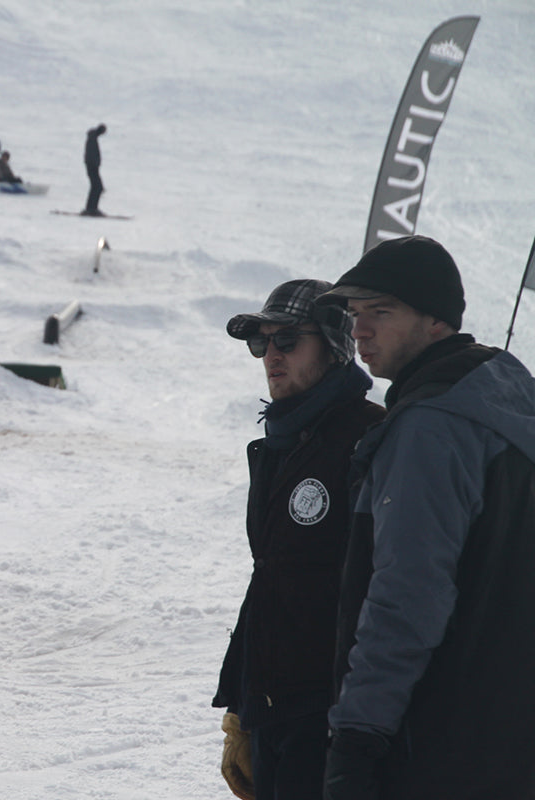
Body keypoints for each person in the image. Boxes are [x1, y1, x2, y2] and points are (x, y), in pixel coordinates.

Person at [315, 235, 535, 800]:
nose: (358, 330)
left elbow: (407, 596)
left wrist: (357, 738)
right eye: (354, 315)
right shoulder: (506, 401)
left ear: (436, 320)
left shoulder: (429, 428)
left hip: (433, 748)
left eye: (380, 313)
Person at [213, 280, 384, 800]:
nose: (271, 356)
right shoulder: (281, 442)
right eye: (261, 343)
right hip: (272, 705)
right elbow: (270, 574)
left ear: (334, 347)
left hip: (331, 714)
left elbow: (395, 586)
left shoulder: (371, 439)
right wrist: (241, 701)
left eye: (287, 340)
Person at [82, 123, 106, 216]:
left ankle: (91, 208)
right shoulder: (92, 138)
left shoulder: (93, 137)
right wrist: (95, 164)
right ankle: (91, 209)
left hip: (92, 166)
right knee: (97, 187)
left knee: (96, 187)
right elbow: (91, 155)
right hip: (92, 167)